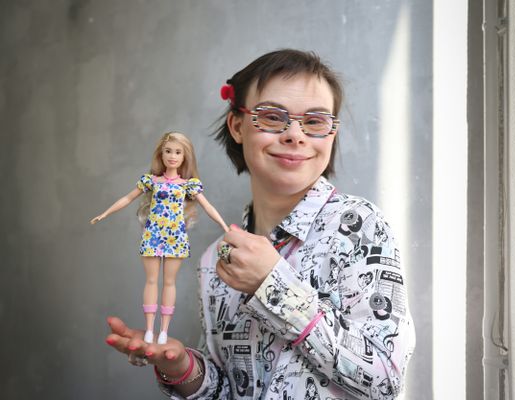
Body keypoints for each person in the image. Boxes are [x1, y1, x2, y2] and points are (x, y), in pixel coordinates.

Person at [105, 49, 415, 399]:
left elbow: (385, 380)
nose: (295, 135)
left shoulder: (360, 227)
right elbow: (231, 390)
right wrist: (183, 370)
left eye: (314, 122)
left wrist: (273, 284)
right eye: (271, 117)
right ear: (237, 126)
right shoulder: (216, 261)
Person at [92, 132, 229, 345]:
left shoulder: (188, 185)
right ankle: (149, 328)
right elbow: (128, 198)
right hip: (153, 234)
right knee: (151, 281)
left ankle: (163, 331)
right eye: (168, 151)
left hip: (175, 237)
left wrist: (223, 225)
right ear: (161, 153)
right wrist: (105, 213)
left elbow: (207, 205)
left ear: (185, 156)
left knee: (169, 282)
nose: (172, 156)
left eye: (177, 152)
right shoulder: (151, 181)